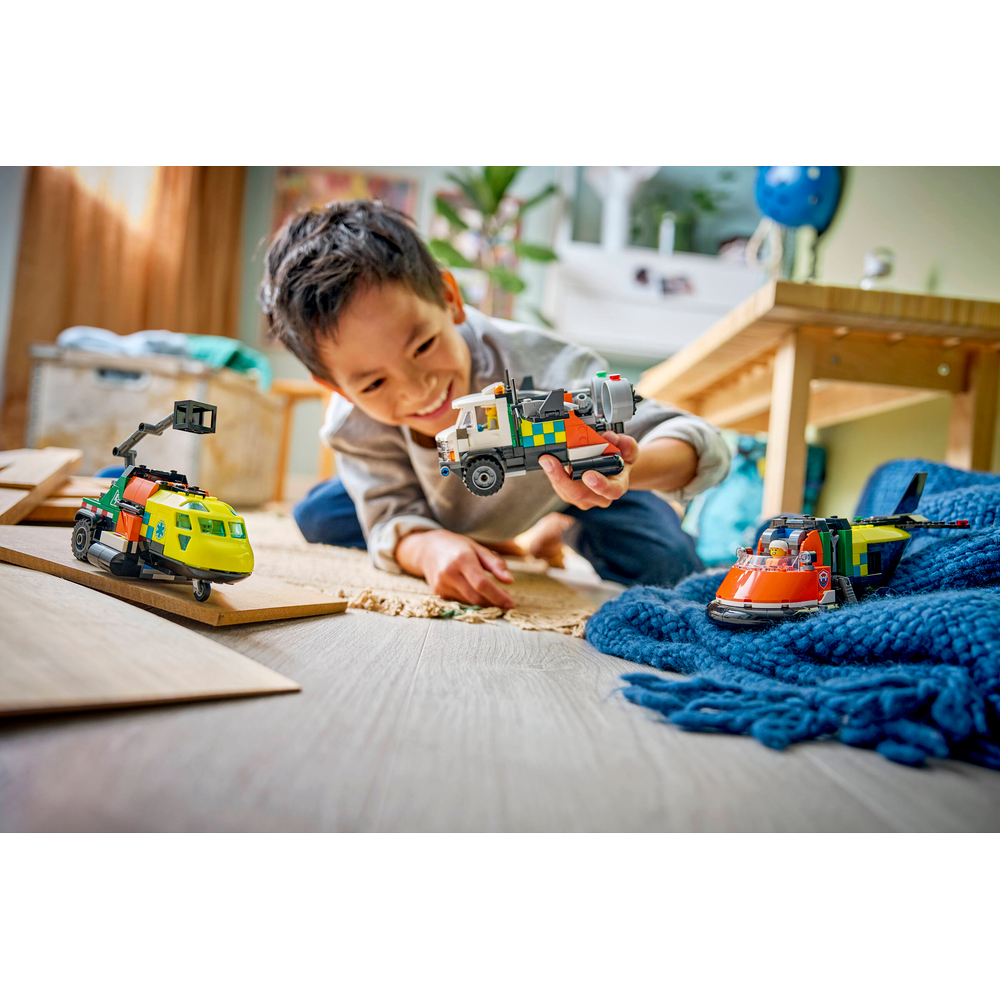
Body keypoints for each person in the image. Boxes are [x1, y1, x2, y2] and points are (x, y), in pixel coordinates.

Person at [258, 200, 731, 609]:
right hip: (430, 501)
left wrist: (625, 469)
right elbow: (388, 515)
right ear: (337, 387)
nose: (418, 390)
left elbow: (703, 445)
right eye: (375, 382)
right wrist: (427, 548)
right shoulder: (352, 422)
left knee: (671, 566)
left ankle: (556, 526)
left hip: (571, 493)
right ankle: (490, 538)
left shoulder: (545, 370)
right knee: (318, 516)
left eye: (423, 345)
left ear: (449, 299)